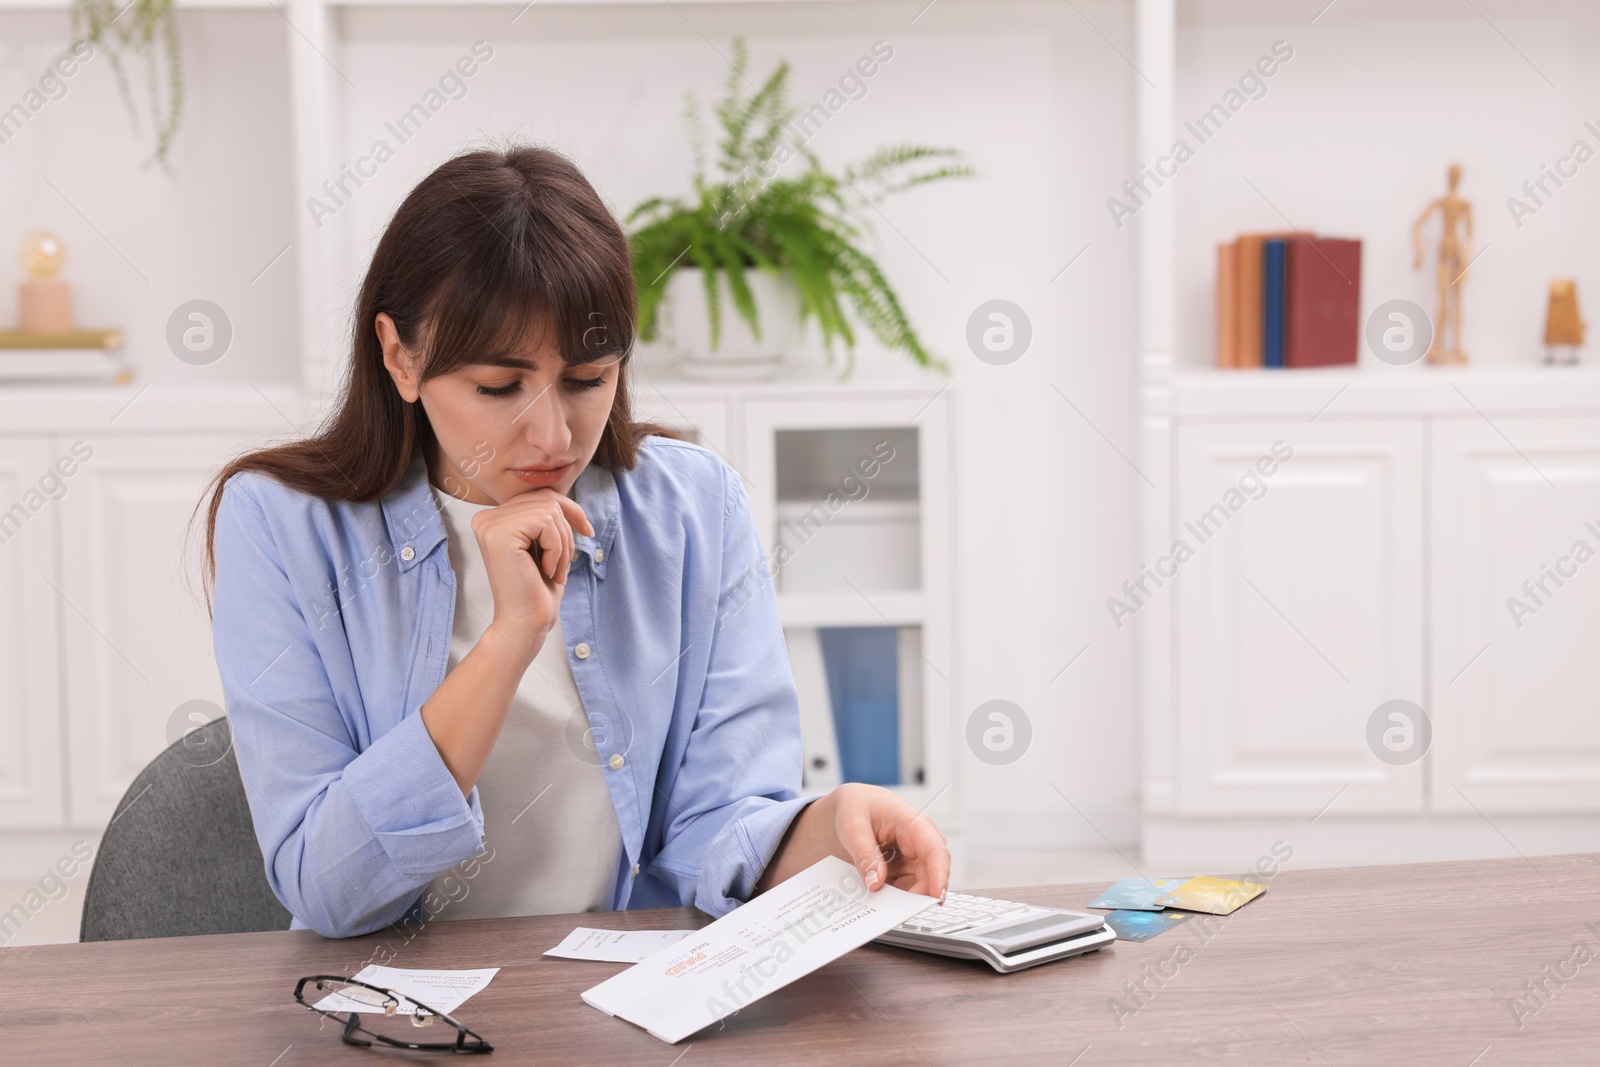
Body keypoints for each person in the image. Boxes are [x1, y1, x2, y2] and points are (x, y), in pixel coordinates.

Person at [200, 145, 949, 938]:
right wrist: (508, 640)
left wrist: (829, 826)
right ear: (400, 356)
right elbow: (325, 884)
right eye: (498, 388)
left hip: (623, 1003)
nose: (554, 435)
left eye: (590, 378)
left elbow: (718, 826)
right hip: (395, 1015)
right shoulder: (280, 523)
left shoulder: (696, 507)